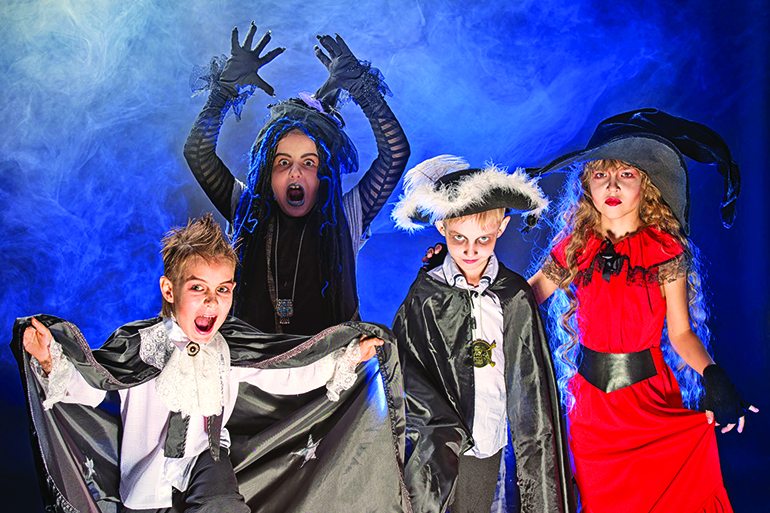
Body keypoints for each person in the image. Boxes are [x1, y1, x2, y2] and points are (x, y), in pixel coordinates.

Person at [12, 215, 409, 512]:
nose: (211, 302)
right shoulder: (141, 345)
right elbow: (94, 388)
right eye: (198, 288)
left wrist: (347, 357)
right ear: (169, 290)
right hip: (148, 482)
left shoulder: (229, 347)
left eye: (222, 290)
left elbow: (287, 375)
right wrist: (49, 358)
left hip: (209, 464)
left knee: (222, 502)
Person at [527, 109, 758, 512]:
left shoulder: (666, 251)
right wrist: (465, 276)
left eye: (626, 175)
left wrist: (714, 376)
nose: (612, 185)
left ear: (645, 186)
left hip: (651, 402)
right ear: (587, 184)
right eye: (601, 175)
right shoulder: (574, 246)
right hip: (592, 414)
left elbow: (681, 334)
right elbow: (525, 299)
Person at [184, 23, 409, 335]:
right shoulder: (245, 209)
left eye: (309, 162)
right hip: (252, 370)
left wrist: (363, 90)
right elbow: (198, 155)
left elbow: (395, 155)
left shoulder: (346, 216)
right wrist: (223, 92)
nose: (295, 172)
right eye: (283, 162)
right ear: (266, 170)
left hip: (327, 370)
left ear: (324, 173)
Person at [391, 156, 575, 513]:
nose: (470, 251)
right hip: (435, 446)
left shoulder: (514, 294)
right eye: (459, 238)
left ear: (501, 228)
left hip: (486, 442)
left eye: (483, 239)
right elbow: (404, 364)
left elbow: (530, 379)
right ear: (442, 227)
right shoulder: (427, 291)